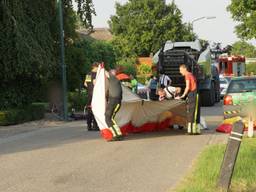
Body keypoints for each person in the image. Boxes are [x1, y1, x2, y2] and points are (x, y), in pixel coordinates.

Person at [177, 64, 200, 134]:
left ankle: (190, 131)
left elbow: (187, 87)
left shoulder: (187, 75)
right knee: (196, 112)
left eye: (180, 70)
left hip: (192, 94)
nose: (180, 72)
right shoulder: (191, 74)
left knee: (191, 113)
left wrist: (183, 95)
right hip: (196, 94)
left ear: (185, 69)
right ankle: (196, 130)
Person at [105, 69, 123, 141]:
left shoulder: (113, 78)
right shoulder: (116, 80)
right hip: (116, 101)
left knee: (108, 118)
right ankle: (117, 134)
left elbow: (106, 72)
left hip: (114, 101)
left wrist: (100, 66)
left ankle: (117, 135)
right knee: (109, 117)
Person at [84, 62, 99, 131]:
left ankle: (89, 126)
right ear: (96, 67)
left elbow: (85, 84)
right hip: (96, 94)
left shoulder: (88, 74)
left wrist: (90, 87)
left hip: (89, 94)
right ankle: (95, 126)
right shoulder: (98, 74)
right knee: (96, 109)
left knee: (89, 110)